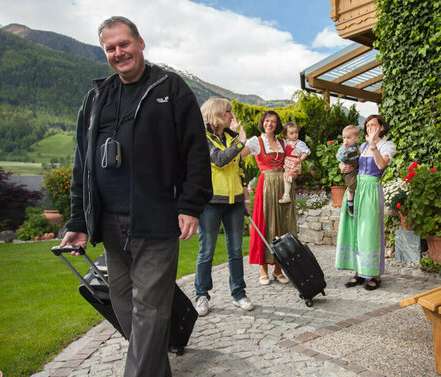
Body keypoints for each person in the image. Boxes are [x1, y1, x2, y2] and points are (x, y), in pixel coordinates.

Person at [59, 16, 212, 377]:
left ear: (140, 43)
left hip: (156, 218)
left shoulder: (170, 89)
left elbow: (195, 151)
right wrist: (79, 221)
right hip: (110, 222)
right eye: (110, 48)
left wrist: (190, 205)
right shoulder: (97, 97)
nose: (118, 53)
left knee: (149, 305)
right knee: (124, 303)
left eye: (123, 44)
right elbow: (82, 162)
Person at [194, 97, 254, 316]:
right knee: (206, 251)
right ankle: (201, 295)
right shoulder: (202, 137)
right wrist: (240, 143)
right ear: (218, 114)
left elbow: (239, 170)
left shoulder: (231, 136)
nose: (232, 116)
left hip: (235, 201)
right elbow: (218, 160)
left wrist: (245, 199)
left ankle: (239, 294)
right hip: (210, 202)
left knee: (236, 251)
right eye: (228, 112)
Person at [335, 115, 395, 291]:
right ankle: (358, 272)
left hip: (371, 189)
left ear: (381, 127)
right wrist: (342, 167)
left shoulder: (387, 145)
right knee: (354, 231)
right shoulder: (361, 146)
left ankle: (375, 275)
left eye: (373, 125)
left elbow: (381, 164)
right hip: (357, 188)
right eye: (367, 125)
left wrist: (374, 145)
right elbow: (349, 162)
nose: (369, 128)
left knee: (369, 231)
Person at [245, 111, 295, 285]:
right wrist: (238, 134)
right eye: (267, 121)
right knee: (265, 224)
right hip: (266, 186)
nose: (270, 124)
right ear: (262, 122)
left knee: (283, 225)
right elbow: (241, 154)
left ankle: (279, 269)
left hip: (284, 186)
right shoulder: (256, 142)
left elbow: (294, 160)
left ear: (277, 124)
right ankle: (263, 269)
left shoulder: (283, 142)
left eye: (273, 121)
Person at [278, 122, 310, 203]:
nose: (295, 135)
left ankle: (286, 195)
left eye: (296, 132)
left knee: (288, 177)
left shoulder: (299, 143)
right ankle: (286, 193)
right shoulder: (286, 143)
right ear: (286, 135)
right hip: (288, 164)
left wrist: (300, 159)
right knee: (285, 178)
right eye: (291, 133)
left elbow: (306, 152)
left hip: (294, 163)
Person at [335, 125, 360, 216]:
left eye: (348, 138)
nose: (346, 140)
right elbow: (340, 158)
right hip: (349, 170)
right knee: (352, 184)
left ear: (356, 138)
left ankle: (355, 199)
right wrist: (345, 149)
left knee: (359, 182)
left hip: (357, 168)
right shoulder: (343, 148)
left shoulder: (358, 146)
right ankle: (350, 204)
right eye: (344, 137)